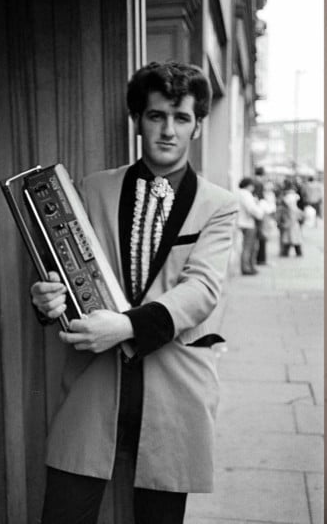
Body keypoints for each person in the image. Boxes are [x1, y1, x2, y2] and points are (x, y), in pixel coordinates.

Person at [30, 61, 238, 524]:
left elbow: (202, 290)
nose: (168, 130)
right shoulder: (93, 188)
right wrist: (48, 300)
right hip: (94, 385)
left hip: (174, 385)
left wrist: (124, 326)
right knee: (63, 513)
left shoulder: (219, 205)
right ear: (138, 120)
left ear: (198, 126)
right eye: (156, 115)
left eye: (181, 118)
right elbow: (67, 273)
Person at [237, 177, 265, 274]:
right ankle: (246, 268)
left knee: (249, 246)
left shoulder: (240, 193)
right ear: (248, 185)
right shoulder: (245, 194)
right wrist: (260, 213)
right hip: (248, 223)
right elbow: (251, 208)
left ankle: (249, 266)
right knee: (249, 246)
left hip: (244, 222)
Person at [277, 188, 304, 257]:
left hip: (291, 226)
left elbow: (299, 216)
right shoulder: (291, 207)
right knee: (292, 240)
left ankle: (286, 253)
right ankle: (290, 253)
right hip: (292, 226)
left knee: (290, 240)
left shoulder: (291, 207)